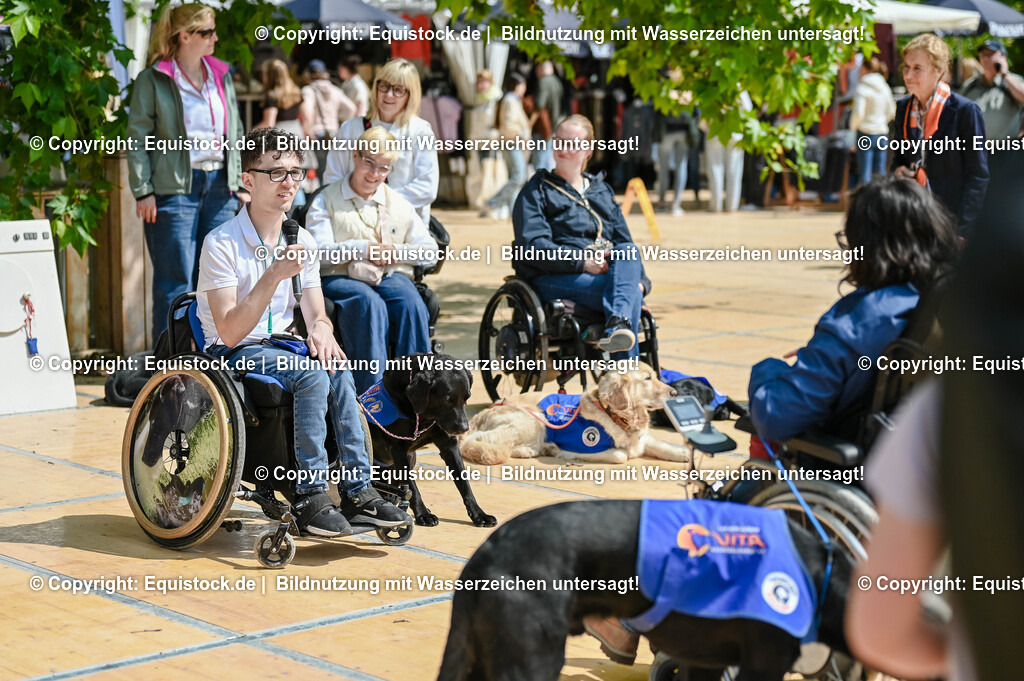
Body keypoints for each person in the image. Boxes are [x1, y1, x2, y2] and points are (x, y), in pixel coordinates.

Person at [197, 126, 409, 535]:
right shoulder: (220, 243)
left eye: (295, 173)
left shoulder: (302, 239)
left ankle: (358, 491)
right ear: (248, 179)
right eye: (276, 172)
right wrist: (274, 274)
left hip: (281, 346)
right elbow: (228, 331)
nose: (289, 183)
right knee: (312, 374)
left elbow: (315, 313)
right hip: (233, 351)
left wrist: (324, 330)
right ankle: (309, 493)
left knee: (336, 366)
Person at [747, 176, 958, 446]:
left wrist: (768, 370)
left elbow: (776, 417)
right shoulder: (950, 298)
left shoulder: (854, 322)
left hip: (848, 457)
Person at [127, 2, 243, 342]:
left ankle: (211, 367)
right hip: (173, 188)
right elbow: (137, 137)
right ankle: (170, 372)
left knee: (218, 279)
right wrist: (143, 189)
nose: (215, 38)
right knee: (174, 281)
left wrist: (239, 180)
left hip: (221, 186)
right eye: (207, 32)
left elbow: (233, 129)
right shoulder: (154, 79)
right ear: (185, 36)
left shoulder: (222, 74)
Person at [306, 126, 437, 393]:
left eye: (384, 168)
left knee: (411, 302)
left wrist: (397, 253)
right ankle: (372, 396)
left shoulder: (398, 202)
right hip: (337, 277)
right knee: (369, 303)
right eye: (369, 163)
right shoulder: (325, 199)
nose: (375, 174)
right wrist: (363, 248)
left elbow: (430, 251)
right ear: (355, 155)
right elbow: (316, 251)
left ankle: (418, 389)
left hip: (386, 275)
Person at [512, 114, 652, 357]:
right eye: (559, 140)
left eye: (571, 143)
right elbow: (534, 246)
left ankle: (617, 324)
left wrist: (642, 282)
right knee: (626, 294)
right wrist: (582, 262)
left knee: (628, 254)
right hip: (555, 276)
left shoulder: (601, 190)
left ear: (588, 150)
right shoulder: (537, 190)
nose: (562, 148)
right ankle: (627, 379)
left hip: (607, 274)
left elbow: (624, 241)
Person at [890, 33, 988, 240]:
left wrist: (963, 229)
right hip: (912, 216)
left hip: (949, 222)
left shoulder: (965, 110)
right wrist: (898, 170)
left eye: (917, 68)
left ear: (939, 71)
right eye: (906, 67)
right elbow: (899, 159)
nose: (908, 75)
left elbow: (978, 176)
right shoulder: (903, 108)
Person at [323, 58, 439, 224]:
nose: (389, 94)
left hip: (404, 226)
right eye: (384, 86)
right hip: (354, 222)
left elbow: (427, 187)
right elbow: (333, 178)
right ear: (375, 87)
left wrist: (379, 202)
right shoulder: (350, 129)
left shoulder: (420, 131)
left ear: (410, 95)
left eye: (398, 89)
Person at [484, 73, 530, 220]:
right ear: (517, 86)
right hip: (513, 142)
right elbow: (509, 125)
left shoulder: (511, 100)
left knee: (514, 177)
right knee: (518, 177)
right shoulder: (511, 100)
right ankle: (493, 202)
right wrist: (522, 134)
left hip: (511, 142)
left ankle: (513, 211)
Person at [301, 59, 356, 181]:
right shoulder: (335, 89)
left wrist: (307, 129)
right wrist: (343, 124)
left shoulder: (308, 90)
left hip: (317, 134)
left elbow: (308, 109)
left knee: (320, 172)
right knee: (333, 170)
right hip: (334, 133)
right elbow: (351, 108)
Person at [959, 40, 1024, 142]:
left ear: (1003, 57)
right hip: (977, 151)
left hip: (1006, 152)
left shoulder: (1012, 82)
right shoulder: (971, 85)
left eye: (990, 54)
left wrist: (1005, 74)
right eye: (982, 54)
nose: (985, 58)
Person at [850, 56, 896, 187]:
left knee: (865, 174)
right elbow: (891, 111)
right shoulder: (885, 86)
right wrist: (881, 122)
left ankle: (866, 206)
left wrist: (853, 129)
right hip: (882, 133)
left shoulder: (862, 87)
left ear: (865, 69)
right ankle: (881, 204)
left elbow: (858, 113)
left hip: (865, 132)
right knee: (880, 173)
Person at [705, 90, 752, 212]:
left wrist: (706, 128)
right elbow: (748, 108)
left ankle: (716, 205)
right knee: (734, 171)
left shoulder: (709, 85)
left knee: (715, 168)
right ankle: (732, 205)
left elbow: (704, 113)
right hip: (734, 132)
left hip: (715, 132)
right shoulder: (737, 87)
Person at [654, 94, 698, 215]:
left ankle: (662, 201)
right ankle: (676, 203)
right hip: (684, 132)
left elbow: (657, 110)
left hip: (667, 132)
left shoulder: (665, 89)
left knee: (664, 168)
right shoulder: (688, 88)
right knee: (681, 167)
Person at [257, 59, 306, 137]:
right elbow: (306, 118)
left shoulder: (272, 95)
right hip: (297, 132)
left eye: (264, 74)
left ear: (270, 76)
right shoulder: (296, 92)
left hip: (280, 135)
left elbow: (269, 123)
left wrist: (251, 132)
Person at [531, 61, 563, 172]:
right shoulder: (557, 82)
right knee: (547, 157)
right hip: (553, 124)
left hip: (543, 126)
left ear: (541, 70)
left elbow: (540, 104)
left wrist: (529, 123)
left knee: (540, 160)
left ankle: (540, 186)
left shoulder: (543, 82)